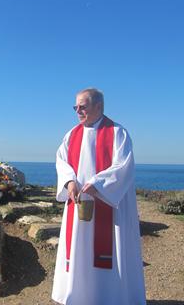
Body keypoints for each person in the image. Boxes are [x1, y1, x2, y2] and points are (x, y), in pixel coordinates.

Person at [52, 88, 146, 305]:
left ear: (99, 107)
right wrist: (69, 182)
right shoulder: (71, 135)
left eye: (82, 106)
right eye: (75, 107)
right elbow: (61, 161)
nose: (77, 111)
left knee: (109, 250)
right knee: (79, 248)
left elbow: (124, 166)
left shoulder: (117, 133)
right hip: (79, 204)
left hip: (109, 207)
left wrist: (97, 184)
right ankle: (79, 297)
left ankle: (113, 298)